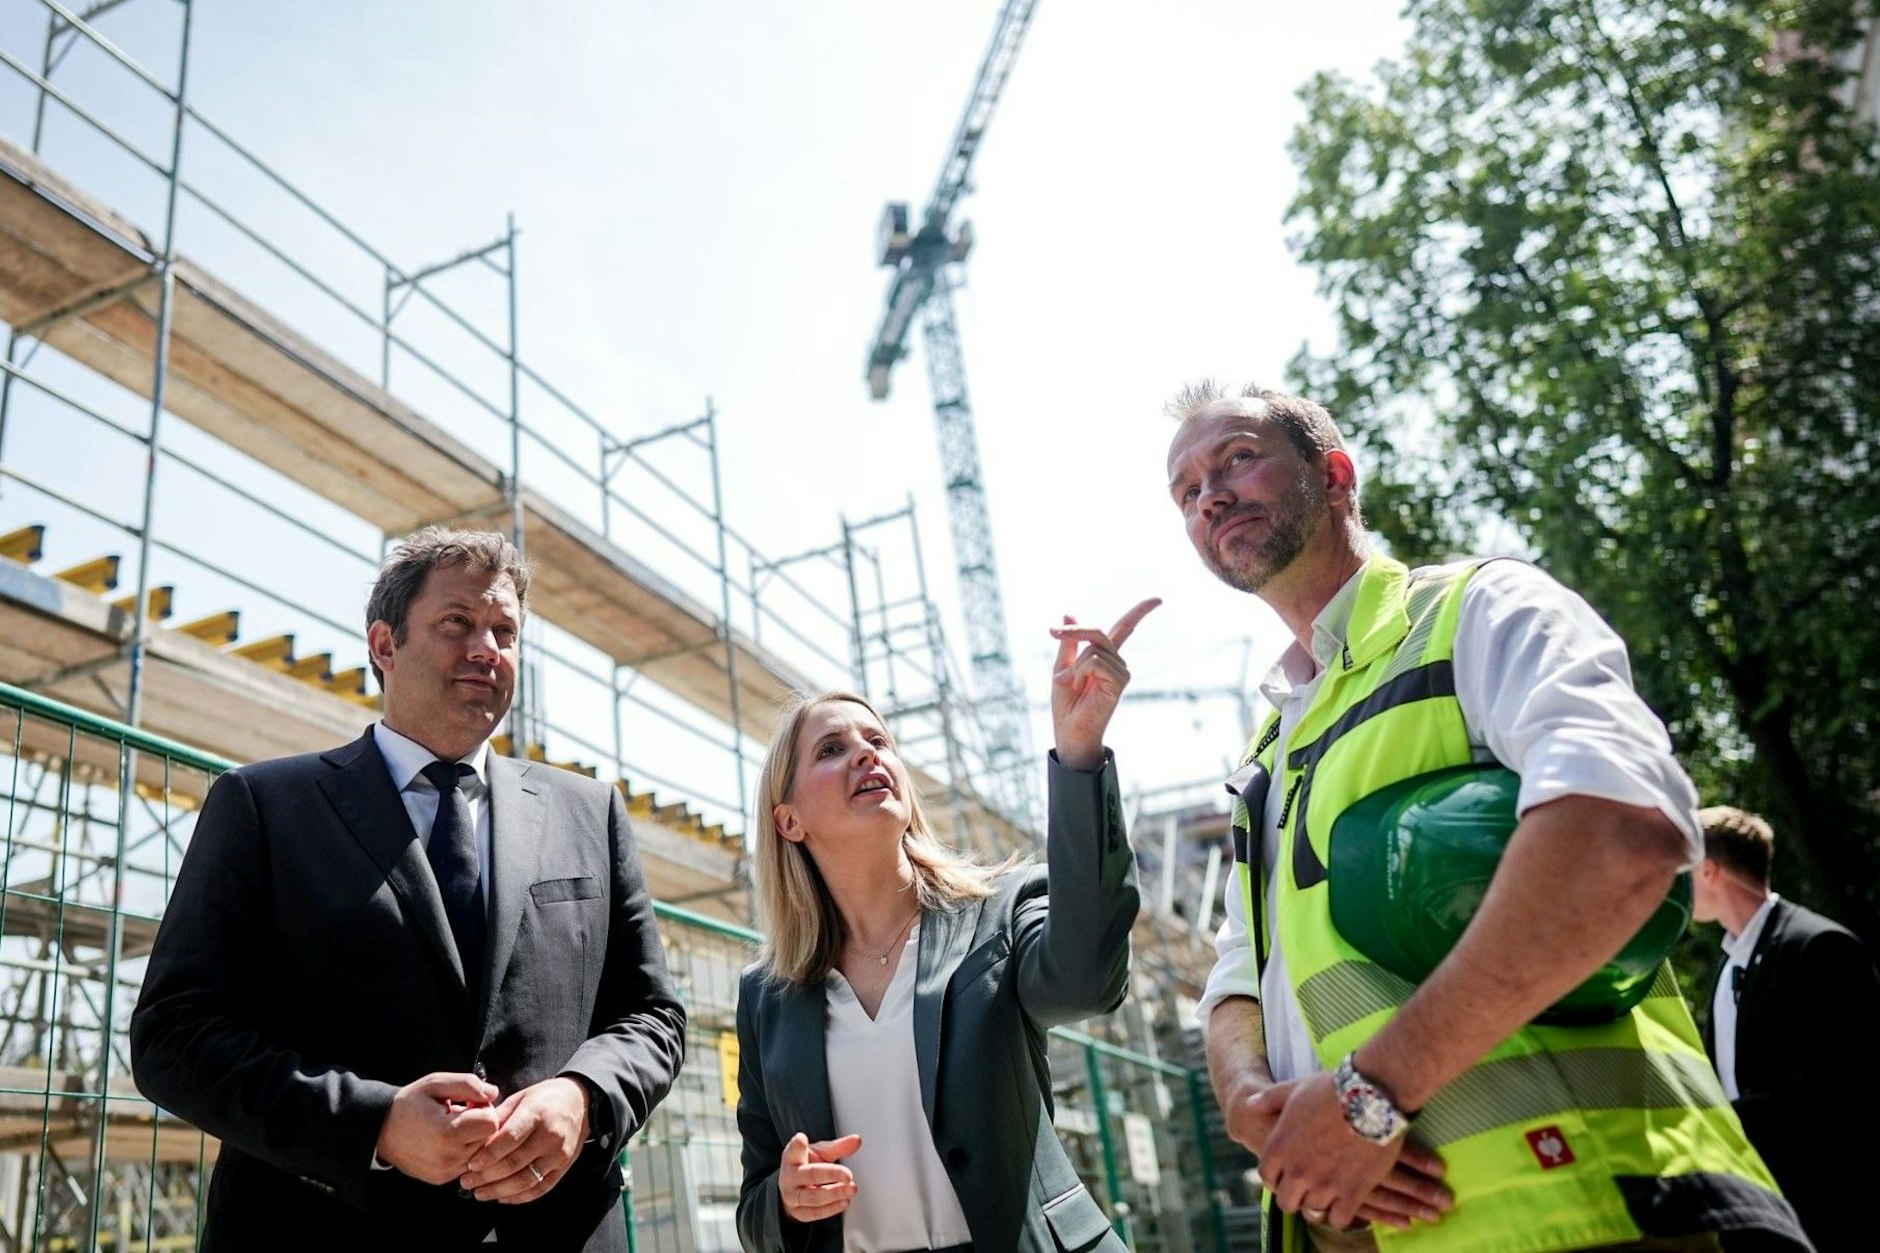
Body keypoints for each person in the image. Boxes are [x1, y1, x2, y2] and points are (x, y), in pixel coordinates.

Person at [1167, 381, 1806, 1251]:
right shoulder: (1270, 749)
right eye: (1186, 491)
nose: (1209, 496)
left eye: (1236, 459)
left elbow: (1622, 831)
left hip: (1588, 1207)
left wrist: (1367, 1096)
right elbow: (1239, 970)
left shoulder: (1482, 609)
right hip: (1350, 1223)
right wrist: (1251, 1102)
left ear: (1336, 474)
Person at [130, 527, 686, 1251]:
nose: (487, 648)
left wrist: (583, 1098)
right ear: (384, 645)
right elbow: (172, 1036)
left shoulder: (591, 813)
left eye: (505, 631)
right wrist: (375, 1124)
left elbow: (652, 1016)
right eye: (457, 622)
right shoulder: (263, 806)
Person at [733, 598, 1156, 1253]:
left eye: (879, 741)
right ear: (789, 821)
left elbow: (1087, 982)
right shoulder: (767, 997)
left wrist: (1079, 757)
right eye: (832, 749)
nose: (866, 754)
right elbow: (754, 1202)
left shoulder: (1000, 912)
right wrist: (787, 1199)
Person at [1694, 805, 1880, 1251]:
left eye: (1679, 869)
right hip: (1756, 1201)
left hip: (1826, 1205)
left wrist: (1726, 1120)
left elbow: (1843, 1081)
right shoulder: (1729, 963)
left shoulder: (1822, 946)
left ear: (1708, 871)